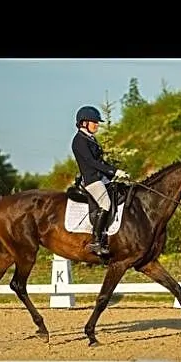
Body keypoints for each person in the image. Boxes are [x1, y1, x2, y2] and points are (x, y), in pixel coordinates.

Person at [71, 105, 129, 256]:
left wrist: (116, 172)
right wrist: (112, 171)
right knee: (105, 204)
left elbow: (101, 161)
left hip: (101, 178)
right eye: (94, 122)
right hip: (92, 180)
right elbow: (91, 162)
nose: (97, 125)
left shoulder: (90, 138)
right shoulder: (79, 141)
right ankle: (96, 242)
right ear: (84, 123)